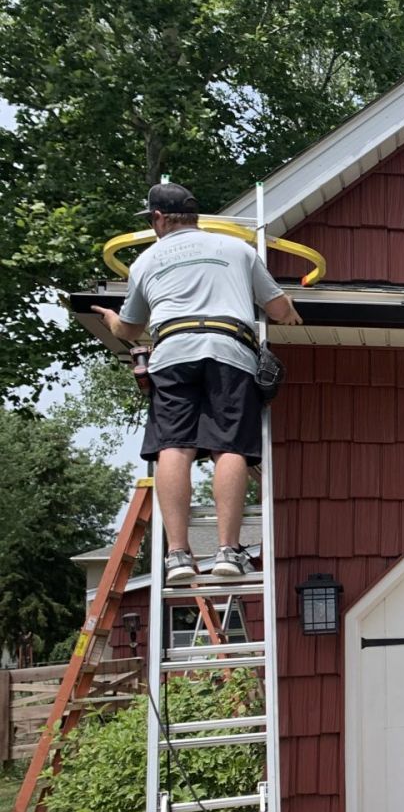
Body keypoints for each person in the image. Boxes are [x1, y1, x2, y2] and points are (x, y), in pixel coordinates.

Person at [93, 183, 302, 581]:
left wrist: (110, 320)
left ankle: (176, 555)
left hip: (172, 351)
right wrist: (289, 313)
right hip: (230, 350)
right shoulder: (238, 250)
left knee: (174, 446)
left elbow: (130, 328)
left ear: (158, 218)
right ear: (194, 216)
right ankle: (227, 551)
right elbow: (277, 307)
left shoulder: (145, 261)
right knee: (229, 446)